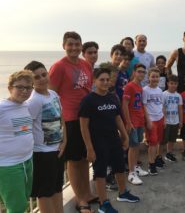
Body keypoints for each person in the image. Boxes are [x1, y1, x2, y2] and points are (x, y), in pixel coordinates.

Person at [79, 68, 140, 213]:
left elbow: (117, 118)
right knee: (100, 172)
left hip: (114, 139)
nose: (105, 82)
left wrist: (124, 136)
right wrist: (89, 148)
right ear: (94, 81)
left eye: (107, 79)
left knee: (119, 167)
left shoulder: (113, 97)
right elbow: (83, 126)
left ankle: (123, 193)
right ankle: (103, 204)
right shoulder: (88, 100)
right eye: (102, 80)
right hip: (98, 142)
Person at [48, 31, 96, 212]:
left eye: (77, 44)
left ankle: (87, 193)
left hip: (85, 117)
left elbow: (88, 89)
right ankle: (80, 199)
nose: (74, 48)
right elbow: (51, 95)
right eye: (70, 44)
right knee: (74, 161)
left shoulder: (85, 65)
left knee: (84, 158)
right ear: (64, 46)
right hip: (69, 119)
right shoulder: (59, 67)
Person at [24, 61, 66, 213]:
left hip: (57, 149)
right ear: (31, 81)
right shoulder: (33, 101)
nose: (42, 79)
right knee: (44, 193)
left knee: (57, 187)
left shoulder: (53, 94)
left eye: (44, 74)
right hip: (42, 153)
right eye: (36, 77)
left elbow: (61, 118)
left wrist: (64, 141)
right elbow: (26, 128)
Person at [0, 70, 34, 213]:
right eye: (19, 87)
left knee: (23, 199)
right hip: (8, 165)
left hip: (27, 160)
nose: (24, 91)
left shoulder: (25, 105)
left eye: (28, 87)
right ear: (10, 88)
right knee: (17, 207)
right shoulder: (2, 108)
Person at [122, 64, 149, 186]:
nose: (141, 74)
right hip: (132, 122)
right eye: (139, 71)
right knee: (132, 147)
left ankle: (136, 167)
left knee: (137, 145)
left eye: (143, 72)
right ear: (134, 72)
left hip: (140, 120)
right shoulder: (129, 86)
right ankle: (131, 173)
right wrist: (128, 122)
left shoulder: (140, 87)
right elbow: (124, 105)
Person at [143, 68, 165, 174]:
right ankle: (151, 164)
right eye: (153, 76)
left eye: (157, 76)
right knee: (152, 143)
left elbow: (161, 105)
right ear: (149, 77)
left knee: (158, 142)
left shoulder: (160, 90)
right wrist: (147, 121)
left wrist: (163, 118)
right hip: (151, 120)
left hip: (160, 118)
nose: (155, 79)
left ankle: (156, 159)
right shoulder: (145, 90)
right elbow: (144, 106)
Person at [161, 75, 183, 162]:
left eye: (175, 84)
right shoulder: (163, 94)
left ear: (177, 84)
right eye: (171, 83)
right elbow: (162, 108)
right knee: (163, 140)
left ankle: (169, 153)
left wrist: (181, 121)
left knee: (172, 139)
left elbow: (180, 109)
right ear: (168, 84)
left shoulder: (178, 96)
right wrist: (164, 120)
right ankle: (159, 156)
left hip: (175, 121)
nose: (173, 85)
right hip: (166, 121)